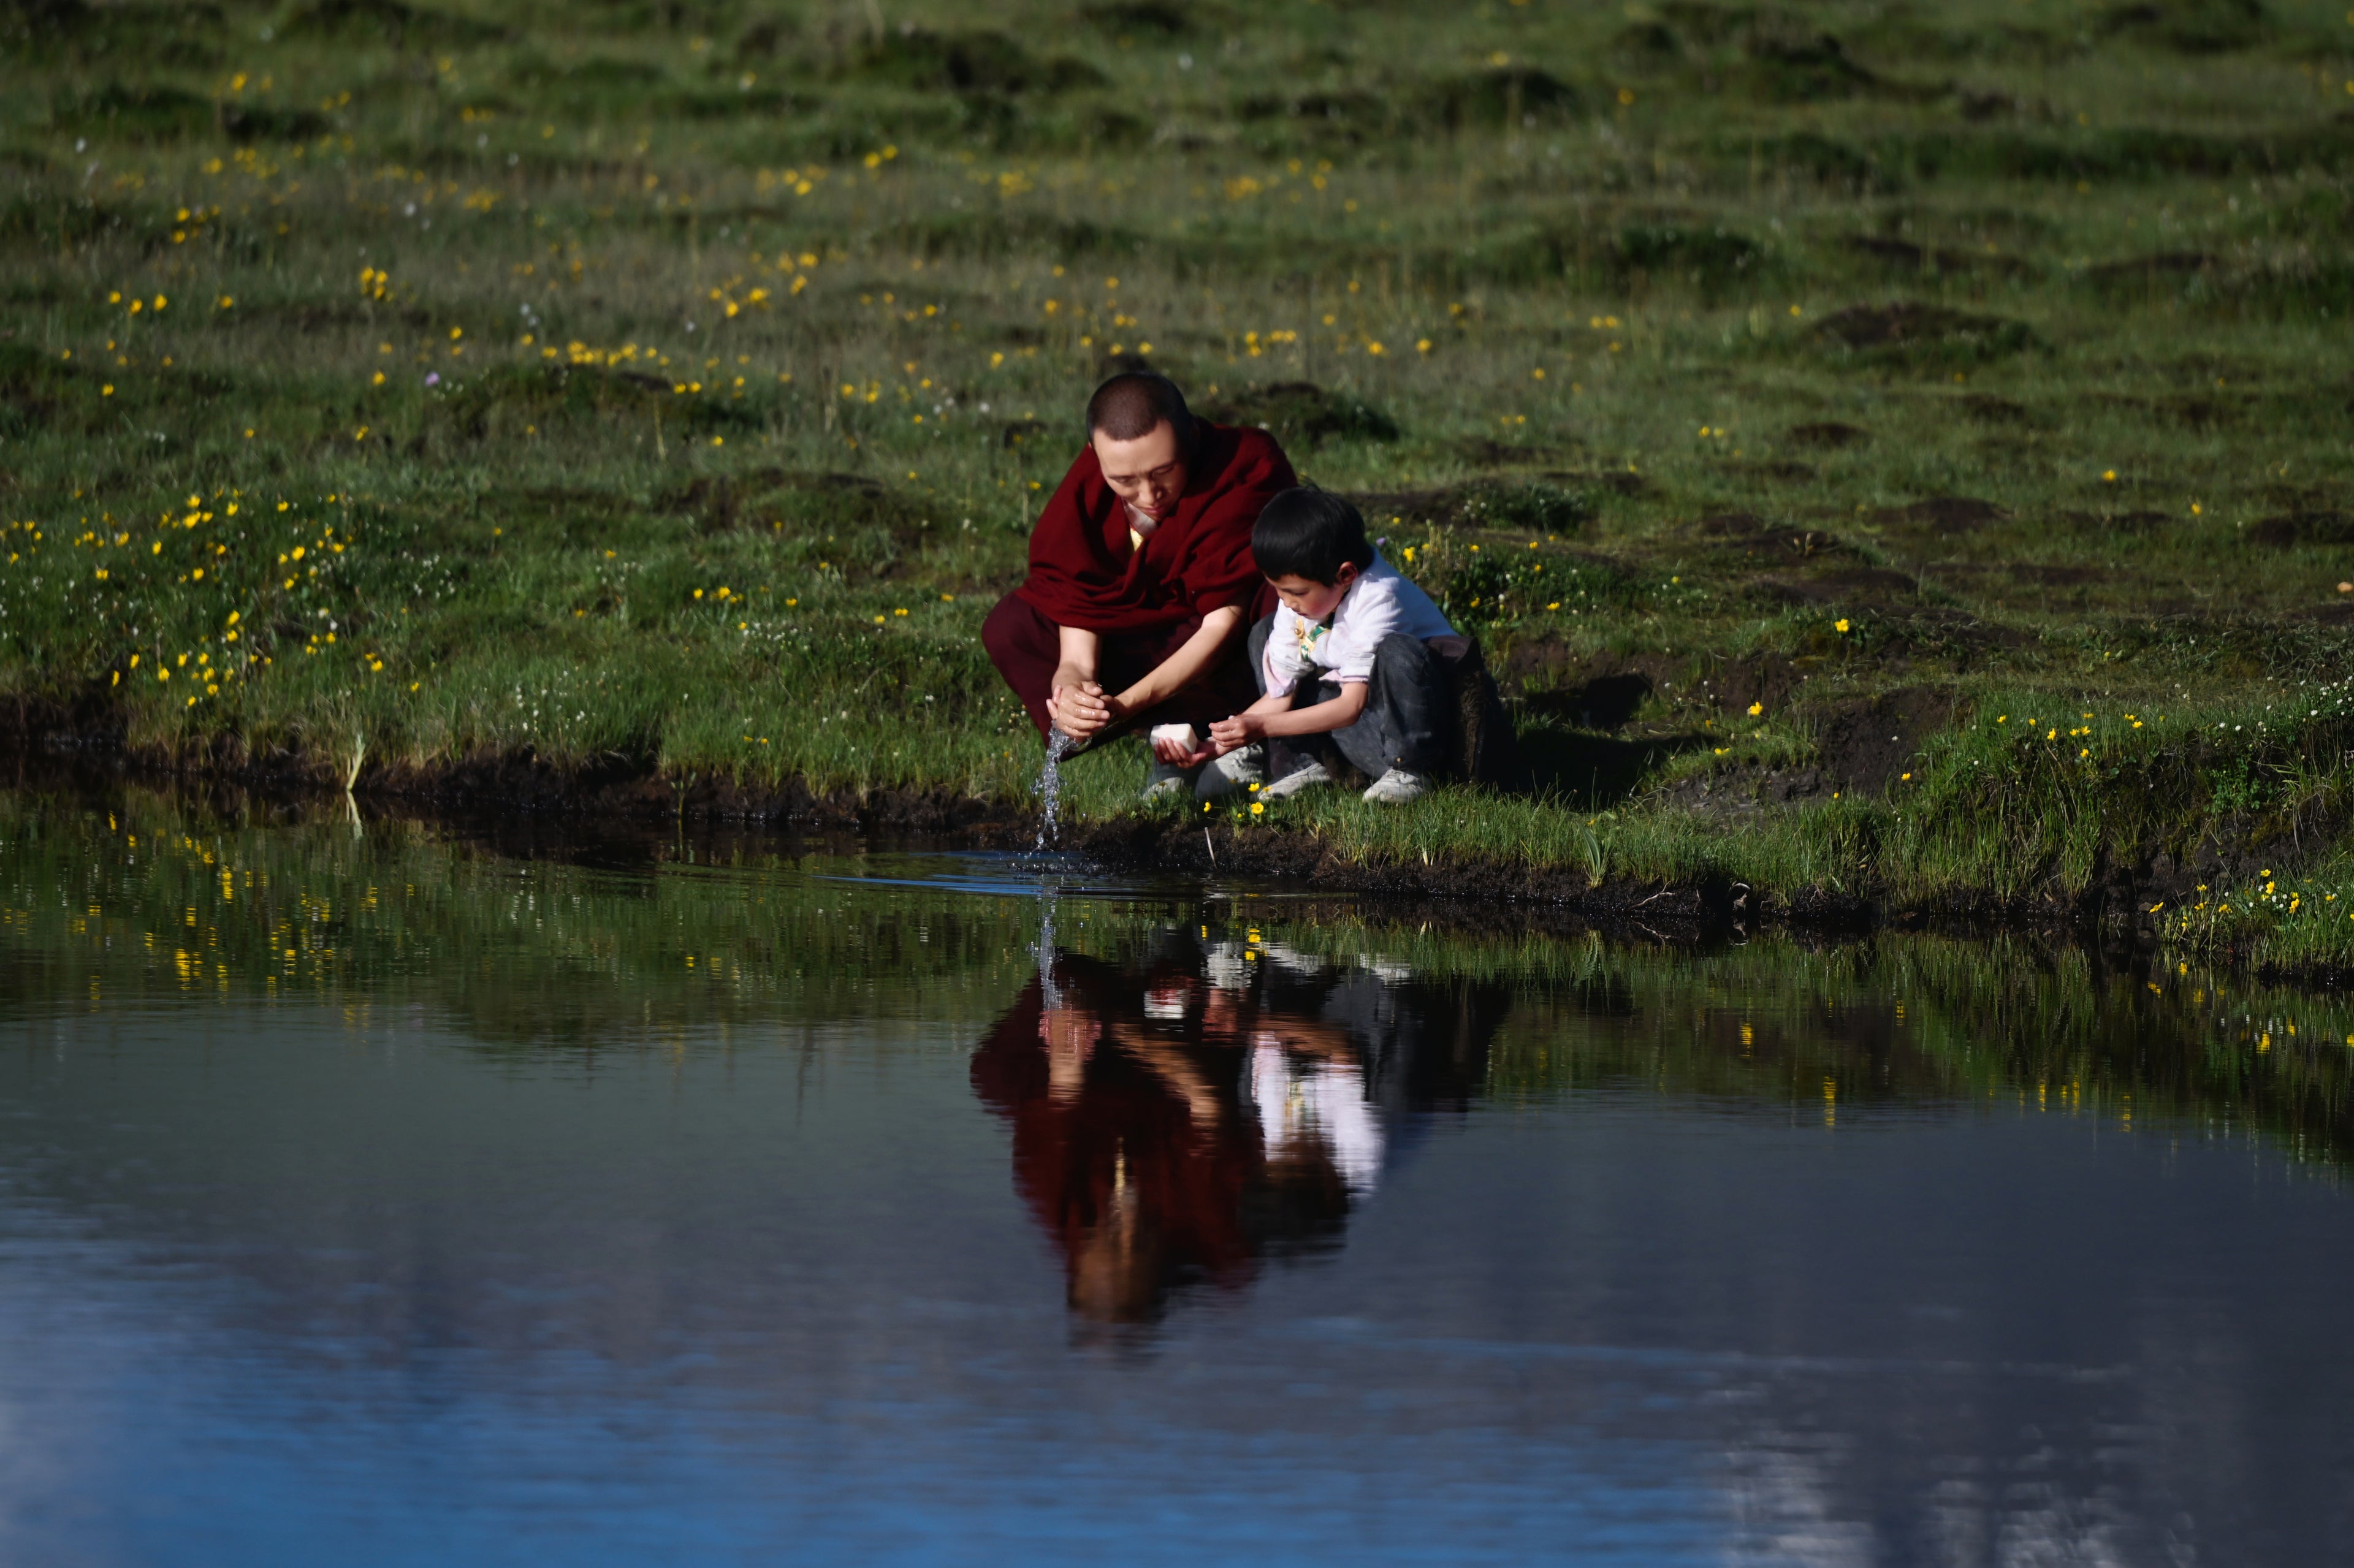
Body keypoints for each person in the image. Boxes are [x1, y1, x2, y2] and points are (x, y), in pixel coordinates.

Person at [981, 371, 1297, 801]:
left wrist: (1123, 707)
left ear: (1188, 436)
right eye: (1125, 481)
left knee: (1277, 593)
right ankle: (1172, 741)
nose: (1149, 494)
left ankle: (1260, 741)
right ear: (1095, 454)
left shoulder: (1244, 464)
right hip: (1152, 636)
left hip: (1227, 642)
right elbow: (1080, 598)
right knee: (1014, 624)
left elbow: (1223, 626)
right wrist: (1075, 686)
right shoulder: (1089, 483)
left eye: (1163, 471)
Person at [1197, 487, 1463, 805]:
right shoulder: (1305, 597)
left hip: (1421, 728)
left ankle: (1412, 771)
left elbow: (1351, 705)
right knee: (1264, 633)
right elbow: (1280, 695)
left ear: (1345, 574)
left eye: (1294, 592)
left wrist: (1259, 727)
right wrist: (1214, 745)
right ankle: (1303, 765)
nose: (1286, 602)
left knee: (1397, 651)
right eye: (1278, 590)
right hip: (1361, 728)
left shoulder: (1380, 597)